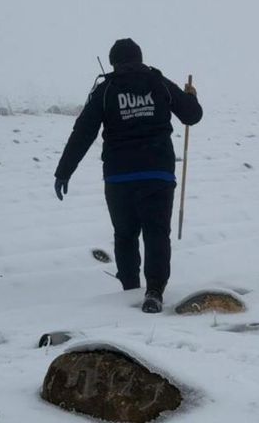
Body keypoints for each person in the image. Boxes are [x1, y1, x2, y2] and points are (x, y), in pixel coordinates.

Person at [54, 38, 203, 313]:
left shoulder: (107, 89)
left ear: (114, 62)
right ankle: (155, 292)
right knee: (157, 234)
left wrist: (64, 172)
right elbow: (192, 115)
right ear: (139, 58)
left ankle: (130, 291)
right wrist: (191, 96)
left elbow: (83, 132)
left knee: (125, 236)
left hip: (119, 178)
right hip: (157, 174)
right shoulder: (158, 83)